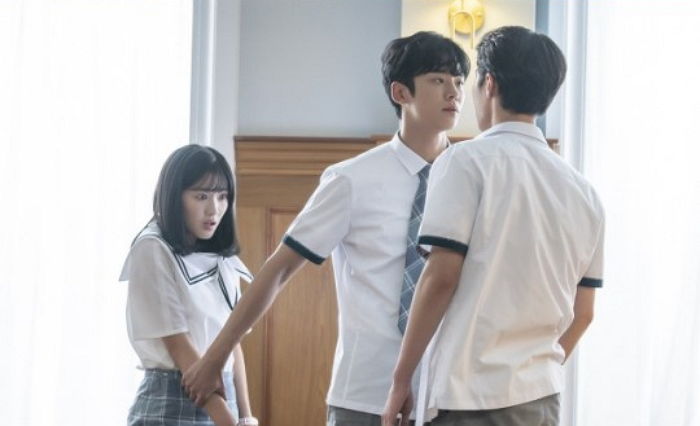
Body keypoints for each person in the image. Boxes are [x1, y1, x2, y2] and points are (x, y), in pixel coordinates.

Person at [181, 31, 469, 425]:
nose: (453, 93)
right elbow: (279, 268)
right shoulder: (351, 179)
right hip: (365, 393)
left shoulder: (472, 178)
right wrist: (216, 356)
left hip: (452, 395)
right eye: (438, 80)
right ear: (401, 92)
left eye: (459, 82)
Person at [382, 26, 604, 426]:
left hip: (467, 395)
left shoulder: (464, 161)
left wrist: (401, 379)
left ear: (489, 84)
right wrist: (534, 372)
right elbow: (584, 313)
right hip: (541, 397)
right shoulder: (585, 192)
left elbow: (440, 279)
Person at [119, 145, 258, 426]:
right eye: (201, 196)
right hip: (172, 404)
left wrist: (245, 417)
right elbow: (180, 349)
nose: (214, 209)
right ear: (174, 196)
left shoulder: (220, 256)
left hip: (224, 401)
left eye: (222, 196)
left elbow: (232, 343)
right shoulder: (152, 248)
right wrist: (229, 421)